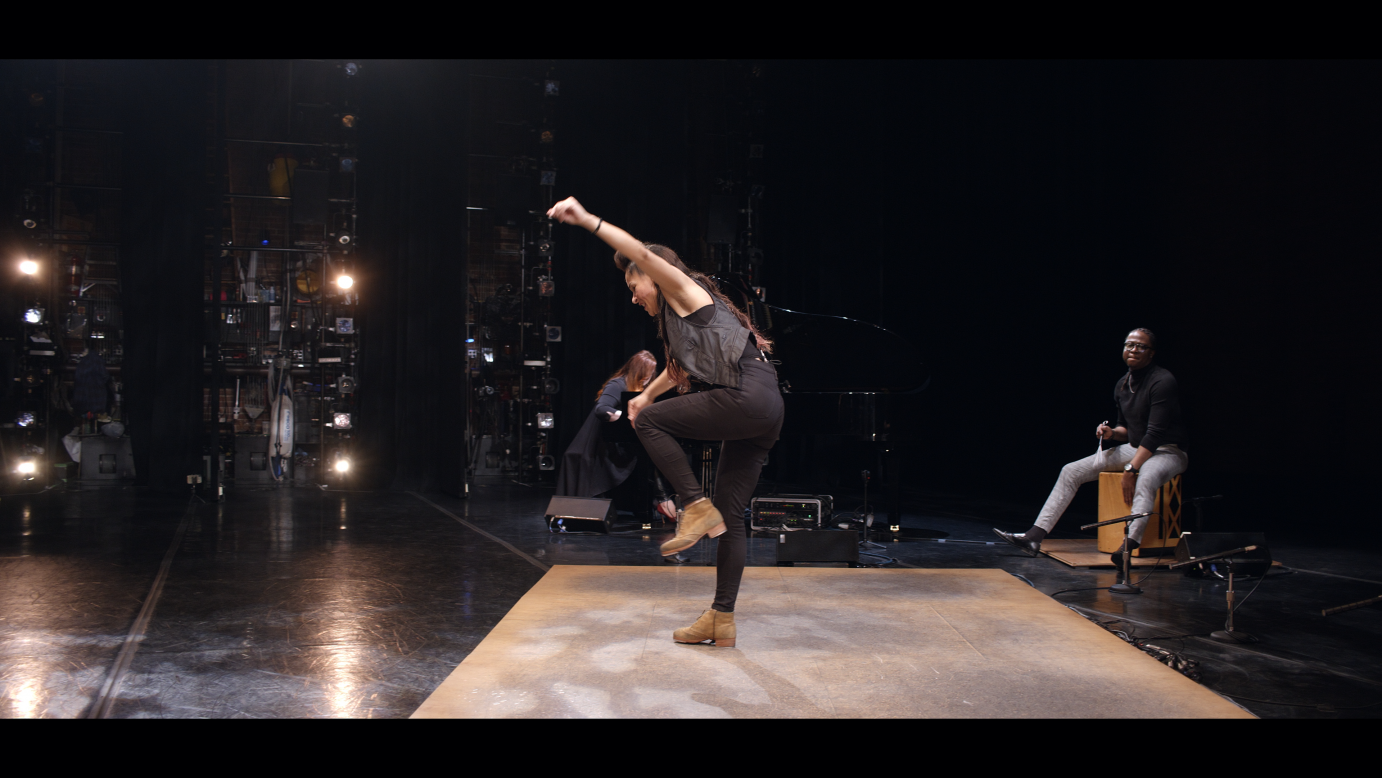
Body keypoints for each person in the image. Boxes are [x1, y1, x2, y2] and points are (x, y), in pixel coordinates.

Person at [547, 196, 783, 648]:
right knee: (730, 517)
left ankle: (692, 505)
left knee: (654, 425)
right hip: (764, 410)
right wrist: (644, 398)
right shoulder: (679, 320)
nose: (633, 295)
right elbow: (677, 372)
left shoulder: (687, 291)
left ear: (653, 276)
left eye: (634, 284)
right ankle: (721, 618)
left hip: (748, 398)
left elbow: (641, 253)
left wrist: (588, 220)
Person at [994, 328, 1189, 566]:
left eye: (1141, 346)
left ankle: (1129, 545)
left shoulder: (1163, 381)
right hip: (1136, 448)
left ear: (1152, 353)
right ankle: (1034, 537)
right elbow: (1126, 429)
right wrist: (1110, 433)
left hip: (1168, 451)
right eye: (1129, 345)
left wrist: (1130, 468)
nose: (1134, 350)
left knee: (1146, 477)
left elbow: (1155, 433)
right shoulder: (1122, 384)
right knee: (1071, 470)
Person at [554, 350, 677, 522]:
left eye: (651, 374)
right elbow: (602, 409)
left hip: (627, 443)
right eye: (645, 374)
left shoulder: (644, 389)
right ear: (637, 371)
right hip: (605, 446)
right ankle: (661, 501)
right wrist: (626, 416)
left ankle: (660, 500)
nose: (648, 378)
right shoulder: (617, 384)